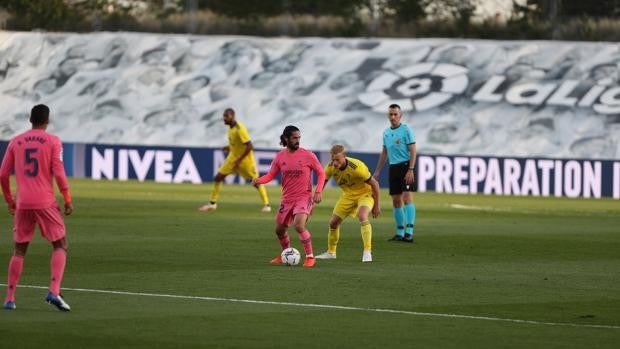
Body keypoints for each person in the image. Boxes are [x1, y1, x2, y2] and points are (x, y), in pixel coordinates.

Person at [0, 104, 73, 311]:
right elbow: (58, 172)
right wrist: (67, 198)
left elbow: (3, 174)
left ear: (30, 120)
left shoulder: (16, 141)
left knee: (19, 250)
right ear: (47, 120)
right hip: (45, 202)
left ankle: (10, 298)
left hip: (23, 203)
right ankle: (54, 291)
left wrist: (10, 201)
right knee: (60, 245)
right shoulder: (53, 141)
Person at [253, 125, 325, 268]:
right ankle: (285, 254)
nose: (298, 140)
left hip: (304, 197)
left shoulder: (308, 155)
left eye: (299, 138)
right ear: (286, 138)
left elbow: (321, 173)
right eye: (294, 138)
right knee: (279, 230)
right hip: (287, 199)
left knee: (299, 225)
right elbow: (271, 175)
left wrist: (318, 191)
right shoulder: (280, 157)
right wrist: (258, 181)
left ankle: (310, 257)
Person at [315, 145, 381, 262]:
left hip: (365, 194)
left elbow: (375, 184)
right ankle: (331, 252)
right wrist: (318, 192)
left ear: (345, 157)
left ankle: (367, 251)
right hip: (348, 196)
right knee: (333, 223)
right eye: (333, 159)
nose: (335, 163)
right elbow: (322, 181)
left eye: (337, 159)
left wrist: (377, 205)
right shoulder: (330, 167)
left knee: (362, 216)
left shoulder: (357, 167)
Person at [199, 108, 271, 213]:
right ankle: (212, 204)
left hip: (245, 161)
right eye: (223, 116)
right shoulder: (230, 128)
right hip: (232, 158)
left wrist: (239, 161)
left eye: (226, 116)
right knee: (218, 177)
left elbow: (249, 146)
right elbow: (237, 144)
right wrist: (229, 147)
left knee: (256, 182)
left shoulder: (239, 129)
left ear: (233, 116)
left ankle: (267, 205)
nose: (224, 118)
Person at [373, 104, 417, 243]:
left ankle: (409, 232)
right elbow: (385, 152)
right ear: (388, 115)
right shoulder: (386, 133)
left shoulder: (406, 130)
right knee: (396, 201)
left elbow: (413, 150)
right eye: (391, 114)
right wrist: (378, 171)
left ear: (400, 115)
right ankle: (399, 232)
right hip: (393, 167)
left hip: (405, 166)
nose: (393, 117)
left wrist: (411, 169)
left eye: (395, 114)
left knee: (407, 198)